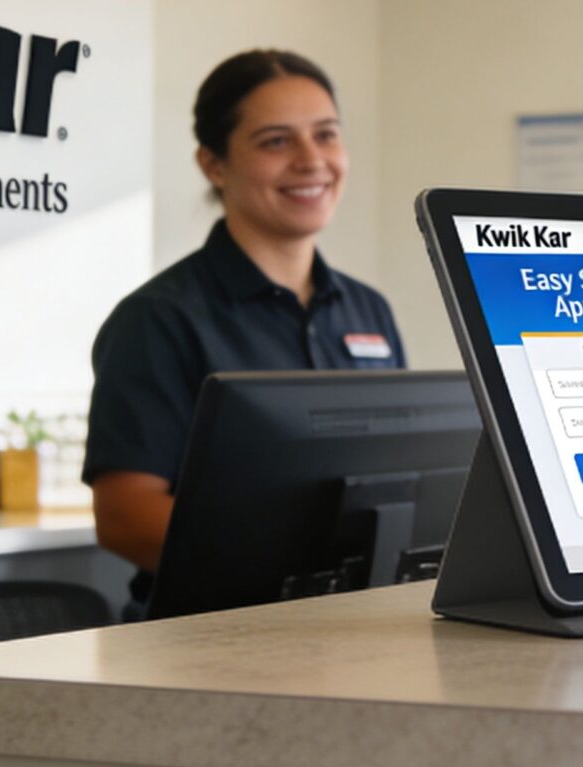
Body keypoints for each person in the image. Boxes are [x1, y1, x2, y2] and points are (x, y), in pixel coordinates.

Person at [83, 49, 404, 614]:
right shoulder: (158, 319)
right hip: (211, 638)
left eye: (326, 135)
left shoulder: (367, 310)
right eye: (276, 141)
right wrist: (300, 573)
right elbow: (125, 517)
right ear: (214, 165)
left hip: (352, 623)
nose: (312, 160)